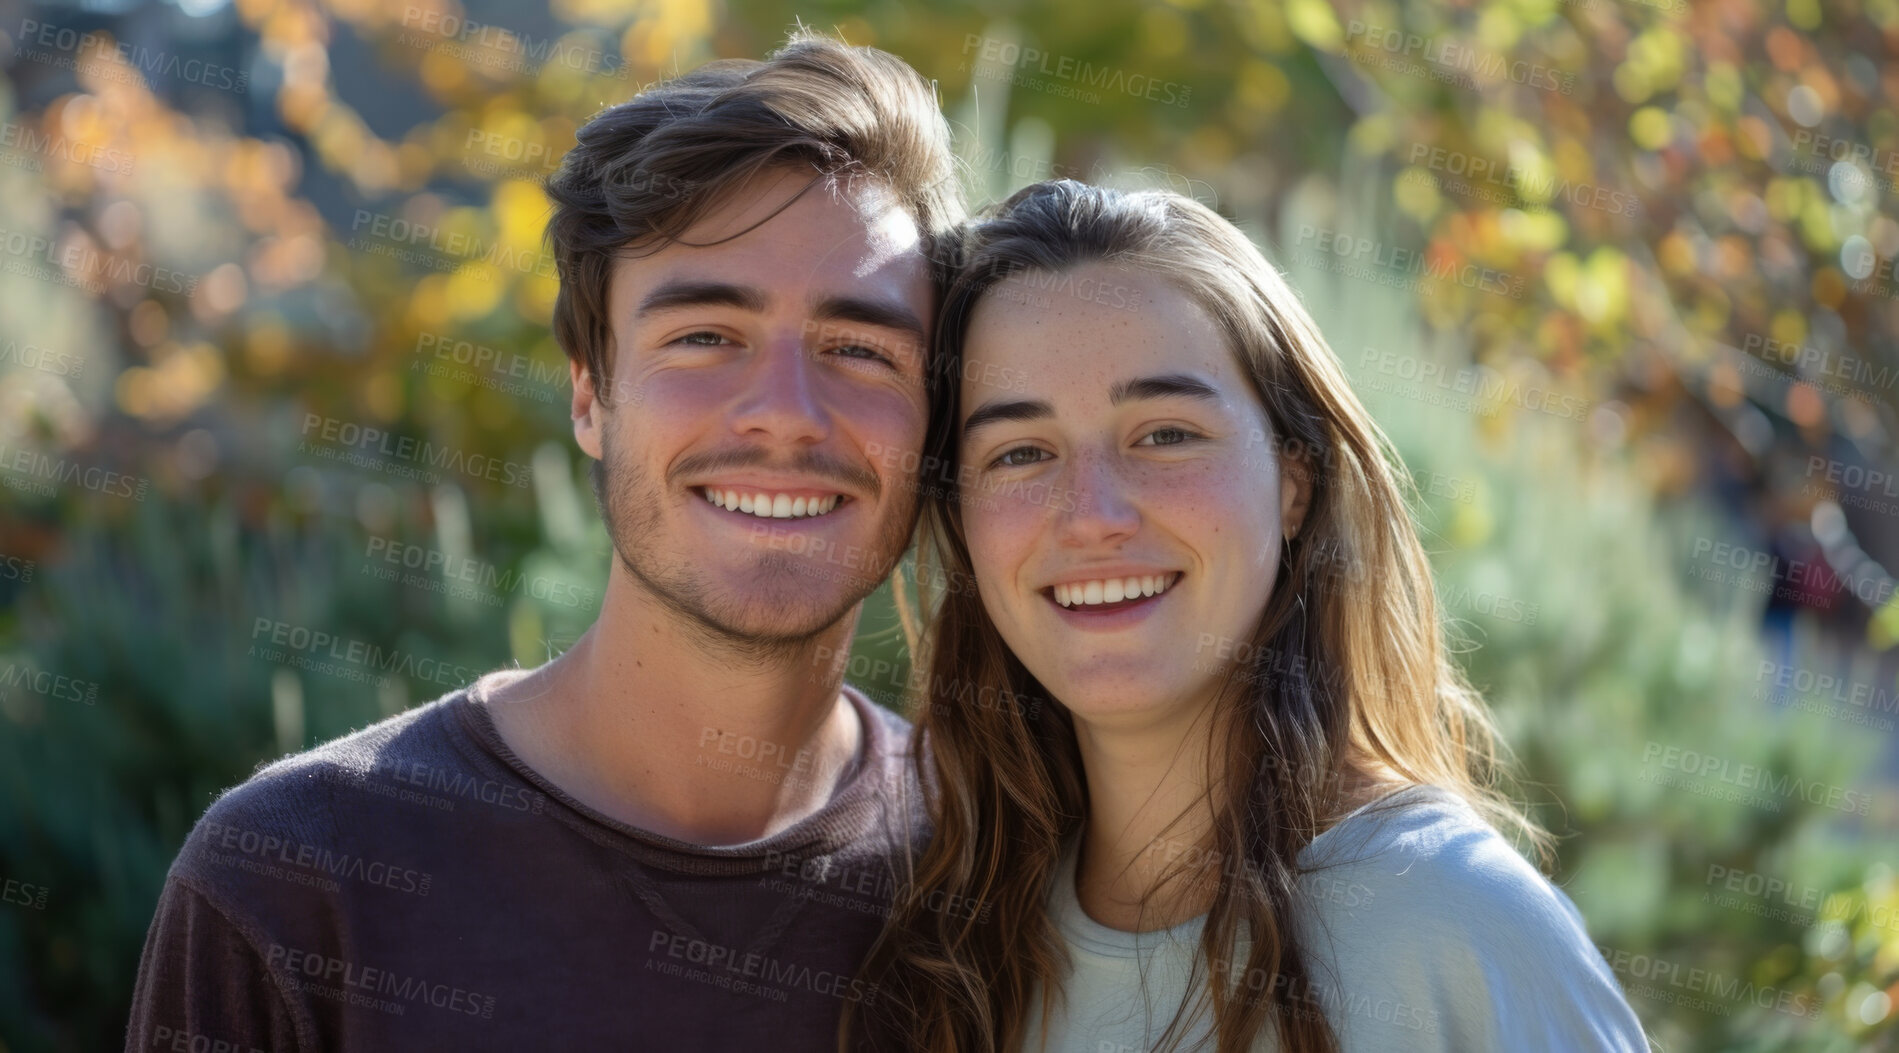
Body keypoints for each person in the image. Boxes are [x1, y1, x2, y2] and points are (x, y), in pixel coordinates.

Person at [125, 31, 962, 1051]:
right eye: (704, 337)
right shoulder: (295, 882)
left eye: (860, 349)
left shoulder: (997, 877)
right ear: (588, 397)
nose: (785, 414)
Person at [845, 180, 1652, 1052]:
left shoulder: (1450, 922)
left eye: (1164, 433)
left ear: (1293, 484)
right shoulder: (951, 946)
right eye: (1020, 451)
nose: (1091, 514)